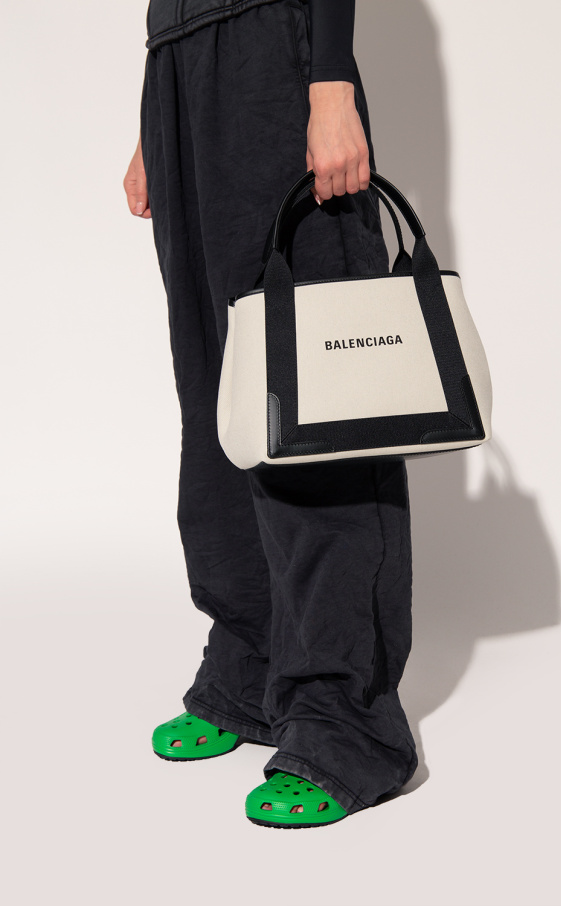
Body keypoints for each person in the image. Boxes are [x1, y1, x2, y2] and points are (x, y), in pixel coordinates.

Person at [123, 0, 417, 828]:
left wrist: (331, 85)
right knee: (221, 393)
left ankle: (344, 722)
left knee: (315, 408)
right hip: (178, 66)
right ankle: (248, 668)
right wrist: (153, 110)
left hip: (274, 51)